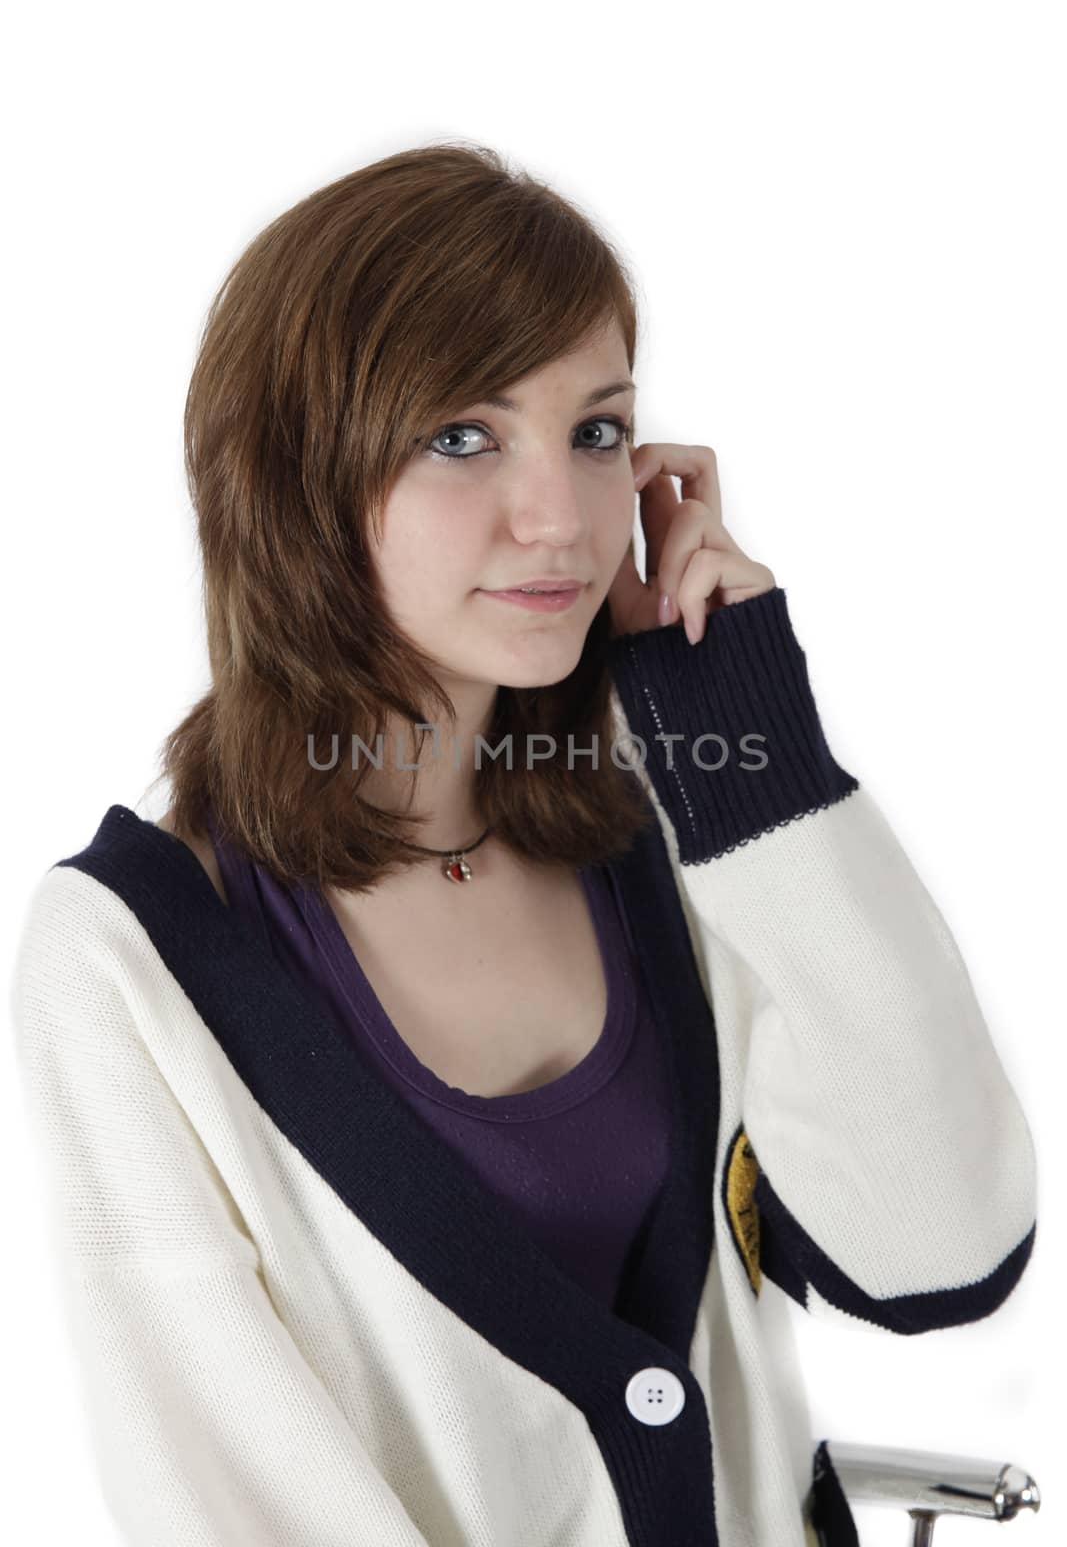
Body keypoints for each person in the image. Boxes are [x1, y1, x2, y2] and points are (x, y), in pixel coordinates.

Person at [10, 141, 1037, 1547]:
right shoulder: (126, 961)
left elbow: (939, 1254)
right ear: (293, 474)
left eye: (598, 431)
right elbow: (230, 1502)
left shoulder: (675, 840)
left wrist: (751, 746)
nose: (559, 515)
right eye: (461, 436)